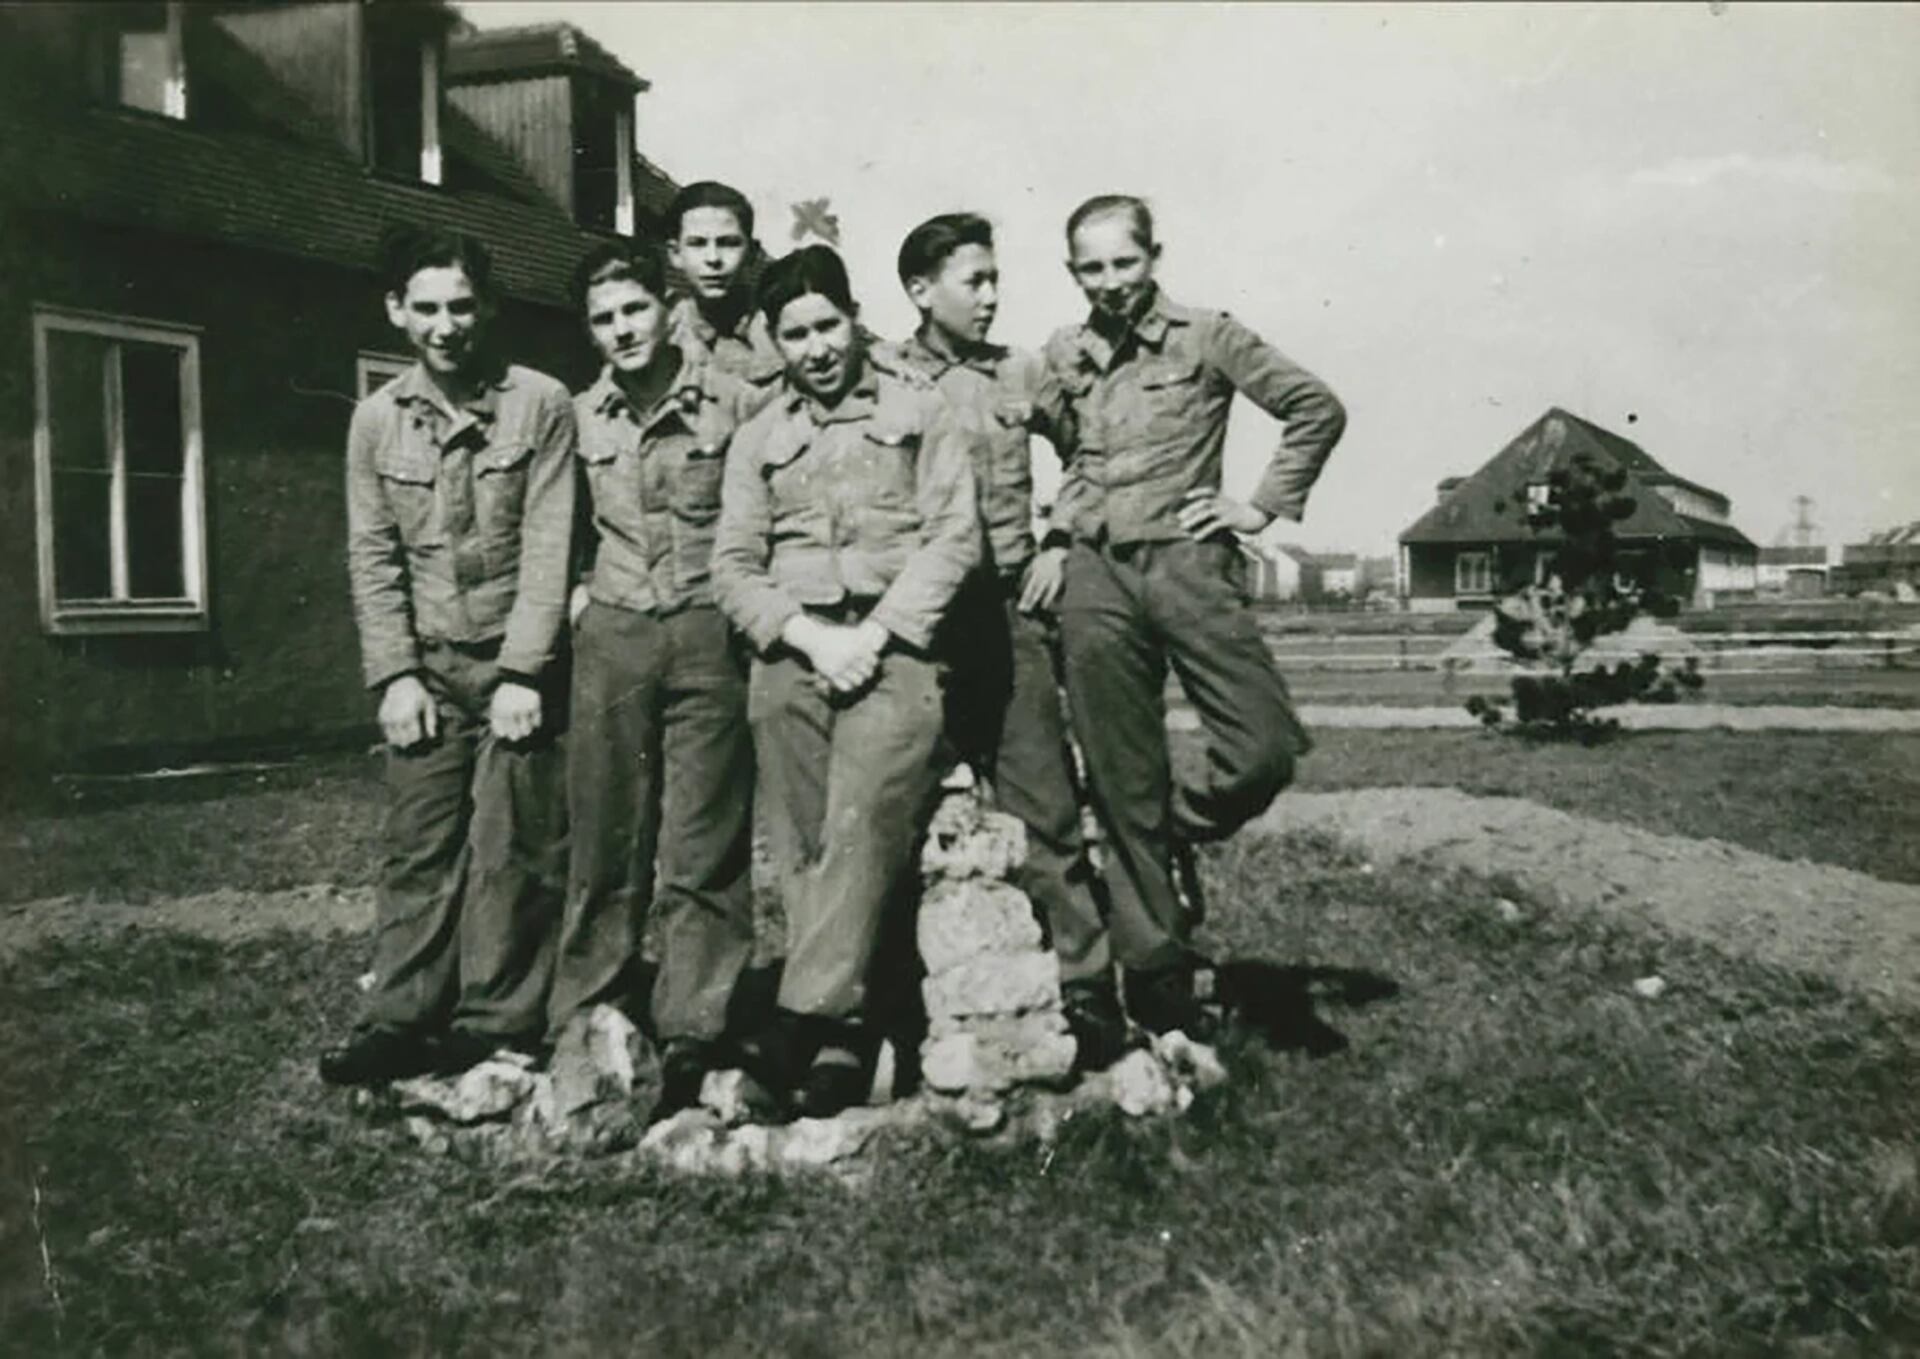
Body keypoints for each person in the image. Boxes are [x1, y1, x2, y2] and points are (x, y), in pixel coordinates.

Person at [1043, 194, 1346, 1037]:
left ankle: (1176, 829)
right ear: (1072, 272)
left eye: (1124, 262)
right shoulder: (1063, 353)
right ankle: (1156, 971)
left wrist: (1258, 507)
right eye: (1091, 268)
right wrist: (1054, 537)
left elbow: (1314, 407)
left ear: (1154, 257)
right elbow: (1055, 445)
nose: (1110, 281)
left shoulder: (1208, 335)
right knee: (1120, 773)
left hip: (1188, 567)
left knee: (1263, 746)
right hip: (1096, 575)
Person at [711, 245, 981, 1118]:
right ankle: (847, 1039)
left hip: (894, 647)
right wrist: (807, 638)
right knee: (800, 842)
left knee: (860, 816)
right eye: (795, 334)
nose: (817, 348)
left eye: (828, 325)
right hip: (794, 652)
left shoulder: (920, 410)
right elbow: (732, 565)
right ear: (774, 341)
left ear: (855, 318)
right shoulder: (758, 437)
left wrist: (873, 633)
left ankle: (801, 1018)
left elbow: (955, 536)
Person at [322, 223, 575, 1086]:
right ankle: (401, 1018)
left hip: (517, 667)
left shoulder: (540, 404)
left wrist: (524, 670)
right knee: (418, 845)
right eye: (425, 308)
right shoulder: (374, 422)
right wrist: (395, 674)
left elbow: (550, 546)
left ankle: (498, 1020)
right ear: (396, 310)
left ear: (488, 307)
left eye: (461, 306)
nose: (445, 326)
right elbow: (373, 556)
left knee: (515, 848)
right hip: (428, 668)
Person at [874, 212, 1126, 1070]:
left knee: (1045, 806)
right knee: (894, 816)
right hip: (916, 624)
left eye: (994, 279)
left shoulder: (1020, 371)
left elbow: (1090, 452)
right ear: (921, 291)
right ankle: (890, 1009)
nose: (989, 295)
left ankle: (1086, 988)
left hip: (1006, 615)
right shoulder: (884, 377)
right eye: (972, 281)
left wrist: (1058, 538)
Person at [547, 240, 758, 1121]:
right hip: (618, 632)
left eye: (634, 309)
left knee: (704, 836)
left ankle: (695, 1023)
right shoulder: (576, 416)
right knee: (606, 829)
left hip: (709, 627)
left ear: (669, 310)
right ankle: (590, 1010)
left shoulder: (737, 402)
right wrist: (578, 594)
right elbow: (553, 522)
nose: (622, 330)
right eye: (603, 319)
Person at [664, 180, 784, 409]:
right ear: (675, 254)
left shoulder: (782, 334)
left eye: (728, 243)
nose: (713, 259)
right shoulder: (658, 338)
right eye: (697, 244)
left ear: (752, 254)